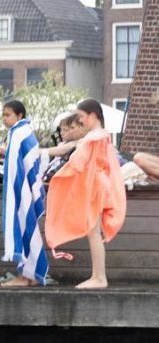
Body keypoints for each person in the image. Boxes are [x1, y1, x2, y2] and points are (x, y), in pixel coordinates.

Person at [45, 98, 126, 289]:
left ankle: (99, 277)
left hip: (96, 189)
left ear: (92, 115)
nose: (80, 121)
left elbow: (78, 162)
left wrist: (62, 175)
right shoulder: (100, 136)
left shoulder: (95, 137)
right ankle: (98, 276)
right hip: (98, 187)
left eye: (81, 116)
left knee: (93, 233)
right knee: (93, 232)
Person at [0, 100, 49, 287]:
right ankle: (28, 274)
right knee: (25, 229)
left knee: (25, 228)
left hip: (21, 190)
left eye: (8, 115)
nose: (4, 119)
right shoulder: (20, 132)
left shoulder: (20, 133)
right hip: (22, 188)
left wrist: (18, 192)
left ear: (19, 115)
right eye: (3, 115)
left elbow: (20, 166)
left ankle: (29, 276)